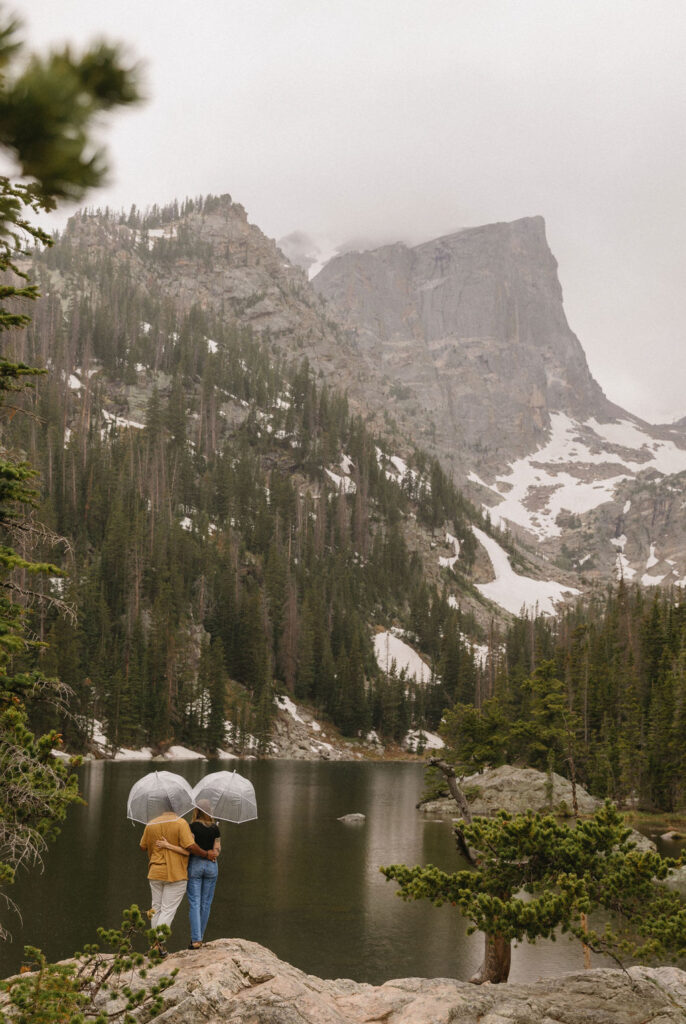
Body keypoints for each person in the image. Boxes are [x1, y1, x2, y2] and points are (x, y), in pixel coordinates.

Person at [140, 807, 218, 955]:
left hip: (155, 871)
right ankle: (158, 945)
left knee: (156, 908)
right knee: (168, 910)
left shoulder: (151, 824)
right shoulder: (181, 823)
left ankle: (154, 944)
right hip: (176, 873)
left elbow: (142, 846)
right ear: (176, 808)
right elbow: (190, 847)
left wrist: (159, 846)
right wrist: (206, 854)